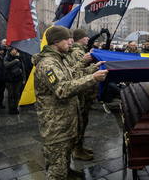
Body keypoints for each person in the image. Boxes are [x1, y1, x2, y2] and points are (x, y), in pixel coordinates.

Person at [33, 26, 108, 180]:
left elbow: (72, 74)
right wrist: (93, 78)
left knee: (65, 154)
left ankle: (67, 172)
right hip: (55, 126)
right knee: (56, 169)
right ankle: (63, 174)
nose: (71, 41)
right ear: (55, 42)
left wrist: (93, 69)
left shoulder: (58, 59)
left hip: (65, 121)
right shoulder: (49, 64)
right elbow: (63, 89)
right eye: (66, 39)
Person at [71, 28, 98, 160]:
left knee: (83, 120)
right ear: (79, 38)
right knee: (80, 122)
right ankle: (77, 149)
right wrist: (95, 68)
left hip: (83, 92)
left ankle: (80, 146)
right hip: (80, 92)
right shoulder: (77, 52)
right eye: (85, 36)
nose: (88, 38)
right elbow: (77, 73)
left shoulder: (81, 50)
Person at [4, 47, 26, 114]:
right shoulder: (7, 58)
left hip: (18, 78)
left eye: (15, 50)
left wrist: (24, 78)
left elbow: (23, 68)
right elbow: (7, 65)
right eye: (12, 50)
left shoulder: (20, 58)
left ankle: (15, 107)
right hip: (10, 78)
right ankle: (10, 107)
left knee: (16, 94)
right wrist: (15, 61)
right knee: (11, 94)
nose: (14, 51)